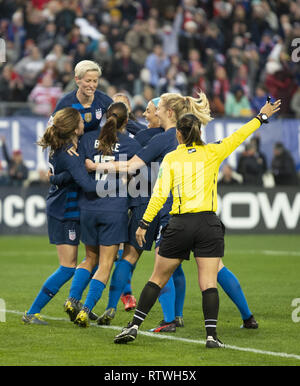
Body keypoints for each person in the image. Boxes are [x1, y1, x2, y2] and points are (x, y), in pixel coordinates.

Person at [113, 98, 281, 348]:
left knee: (157, 278)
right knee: (209, 282)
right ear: (200, 132)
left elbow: (159, 195)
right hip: (208, 225)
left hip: (179, 223)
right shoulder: (213, 151)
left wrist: (144, 223)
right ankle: (212, 337)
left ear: (178, 135)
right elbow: (239, 135)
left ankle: (134, 326)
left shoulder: (171, 158)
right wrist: (261, 117)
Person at [88, 92, 259, 331]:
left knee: (159, 269)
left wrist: (97, 165)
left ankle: (165, 319)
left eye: (156, 109)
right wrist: (261, 117)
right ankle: (246, 316)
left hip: (174, 216)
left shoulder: (162, 140)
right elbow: (236, 138)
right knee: (214, 269)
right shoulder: (197, 141)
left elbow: (132, 164)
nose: (153, 112)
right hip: (205, 218)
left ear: (168, 112)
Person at [66, 102, 142, 328]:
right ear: (126, 122)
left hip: (88, 207)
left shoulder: (88, 139)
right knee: (106, 264)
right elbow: (138, 178)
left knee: (89, 258)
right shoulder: (131, 143)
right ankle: (86, 310)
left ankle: (72, 300)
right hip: (114, 210)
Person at [22, 107, 99, 325]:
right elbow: (86, 184)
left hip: (66, 209)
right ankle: (32, 312)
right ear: (75, 128)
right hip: (64, 212)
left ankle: (78, 303)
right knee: (68, 267)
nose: (85, 123)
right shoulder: (69, 154)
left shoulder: (64, 148)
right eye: (81, 122)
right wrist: (113, 183)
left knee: (90, 260)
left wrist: (60, 178)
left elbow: (64, 176)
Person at [51, 60, 113, 133]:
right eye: (88, 81)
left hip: (94, 142)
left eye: (95, 81)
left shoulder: (103, 99)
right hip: (72, 142)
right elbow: (51, 127)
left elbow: (124, 120)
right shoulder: (66, 102)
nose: (91, 85)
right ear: (77, 80)